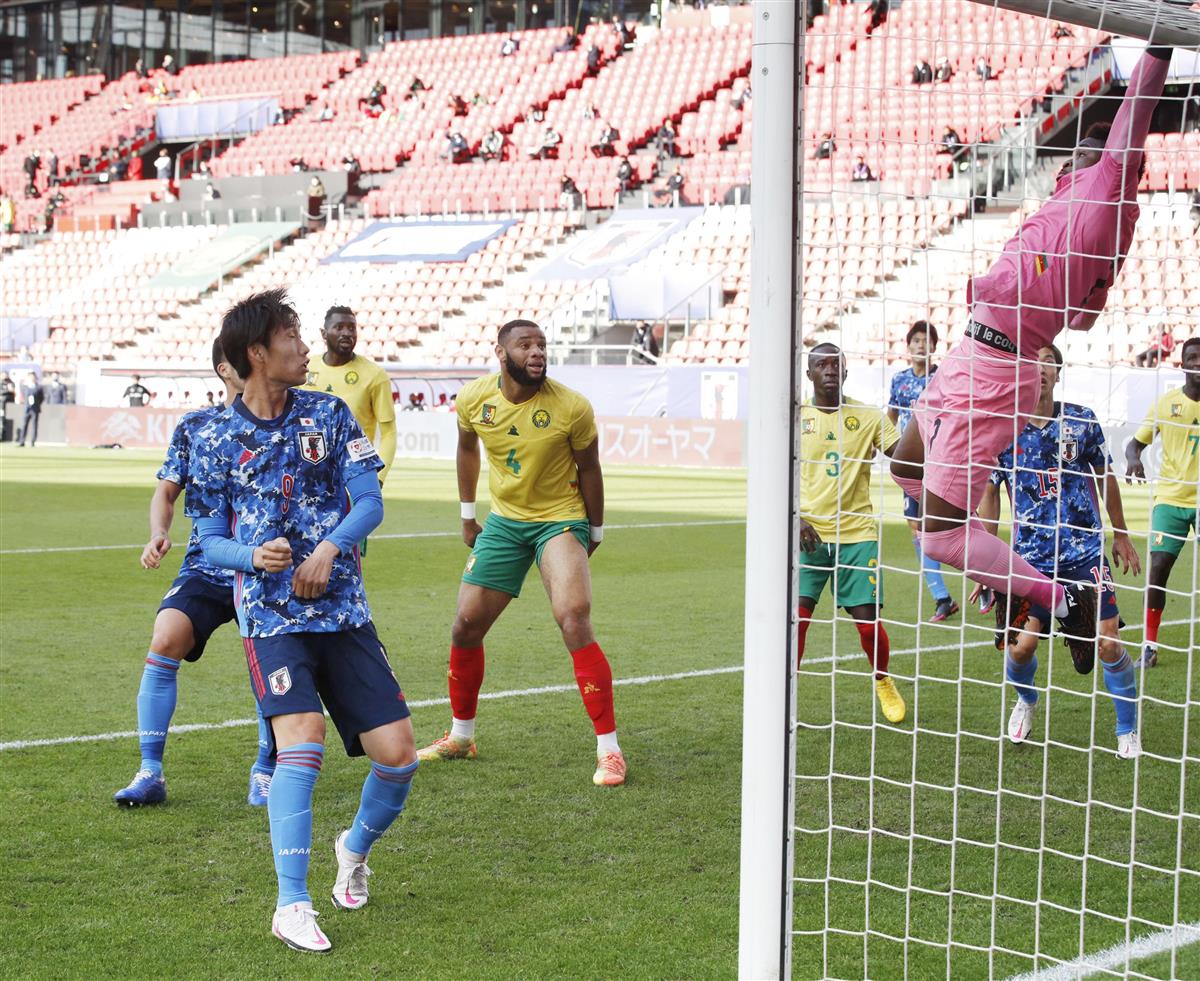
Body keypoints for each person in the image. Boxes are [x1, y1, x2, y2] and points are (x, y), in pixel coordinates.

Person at [889, 47, 1172, 670]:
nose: (1068, 161)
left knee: (940, 538)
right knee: (902, 466)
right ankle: (993, 562)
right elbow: (1085, 315)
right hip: (972, 349)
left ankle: (1052, 595)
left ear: (1106, 164)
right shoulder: (1076, 198)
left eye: (1083, 156)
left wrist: (1156, 44)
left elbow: (1135, 113)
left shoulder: (1106, 195)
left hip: (994, 373)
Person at [187, 289, 417, 953]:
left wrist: (329, 546)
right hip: (270, 615)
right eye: (291, 334)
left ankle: (354, 847)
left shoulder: (331, 412)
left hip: (342, 608)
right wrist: (251, 554)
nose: (304, 344)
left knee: (399, 758)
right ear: (256, 352)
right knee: (304, 738)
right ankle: (291, 901)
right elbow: (206, 540)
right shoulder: (211, 438)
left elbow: (370, 501)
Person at [417, 319, 625, 787]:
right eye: (525, 344)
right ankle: (461, 737)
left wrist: (595, 527)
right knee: (465, 625)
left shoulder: (571, 406)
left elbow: (590, 467)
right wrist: (468, 514)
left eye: (542, 345)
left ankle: (609, 750)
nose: (537, 352)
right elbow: (467, 449)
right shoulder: (474, 399)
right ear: (501, 352)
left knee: (573, 615)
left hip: (559, 517)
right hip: (506, 522)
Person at [113, 340, 277, 806]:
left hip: (267, 570)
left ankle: (266, 768)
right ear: (226, 369)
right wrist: (158, 533)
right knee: (165, 636)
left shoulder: (282, 423)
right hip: (208, 566)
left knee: (268, 663)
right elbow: (166, 491)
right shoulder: (196, 427)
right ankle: (150, 772)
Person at [975, 344, 1142, 755]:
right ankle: (1027, 700)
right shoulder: (1002, 430)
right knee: (1021, 647)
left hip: (1085, 555)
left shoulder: (1081, 421)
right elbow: (990, 495)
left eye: (1048, 362)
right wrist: (985, 559)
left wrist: (1120, 533)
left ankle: (1127, 730)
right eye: (1032, 363)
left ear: (1057, 372)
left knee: (1108, 643)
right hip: (1030, 562)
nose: (1040, 369)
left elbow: (1105, 477)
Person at [798, 343, 906, 723]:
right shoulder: (795, 417)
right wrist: (795, 519)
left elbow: (904, 454)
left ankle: (882, 680)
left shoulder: (868, 416)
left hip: (856, 534)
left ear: (845, 372)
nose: (829, 370)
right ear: (809, 373)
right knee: (795, 620)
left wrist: (927, 419)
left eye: (836, 364)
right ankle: (786, 693)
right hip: (807, 535)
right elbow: (775, 471)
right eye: (821, 365)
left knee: (867, 624)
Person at [1124, 336, 1200, 668]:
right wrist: (1133, 460)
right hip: (1169, 499)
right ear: (1183, 364)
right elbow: (1134, 445)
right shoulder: (1166, 404)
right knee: (1157, 570)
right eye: (1193, 357)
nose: (1198, 363)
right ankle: (1150, 647)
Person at [887, 321, 957, 622]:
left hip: (941, 464)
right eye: (915, 340)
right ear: (908, 345)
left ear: (933, 347)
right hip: (912, 467)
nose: (920, 345)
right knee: (917, 531)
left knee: (948, 529)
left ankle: (987, 583)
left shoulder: (942, 377)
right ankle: (942, 597)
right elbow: (890, 417)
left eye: (925, 340)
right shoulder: (899, 380)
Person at [301, 305, 397, 487]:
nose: (347, 333)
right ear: (324, 333)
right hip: (308, 472)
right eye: (339, 327)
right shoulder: (305, 369)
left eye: (351, 328)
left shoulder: (375, 375)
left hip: (353, 472)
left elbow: (389, 433)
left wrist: (379, 477)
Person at [17, 374, 43, 447]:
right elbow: (23, 395)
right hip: (27, 408)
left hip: (35, 409)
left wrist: (36, 404)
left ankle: (33, 441)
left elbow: (41, 398)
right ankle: (22, 441)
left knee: (34, 425)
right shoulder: (26, 387)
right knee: (24, 425)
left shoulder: (38, 387)